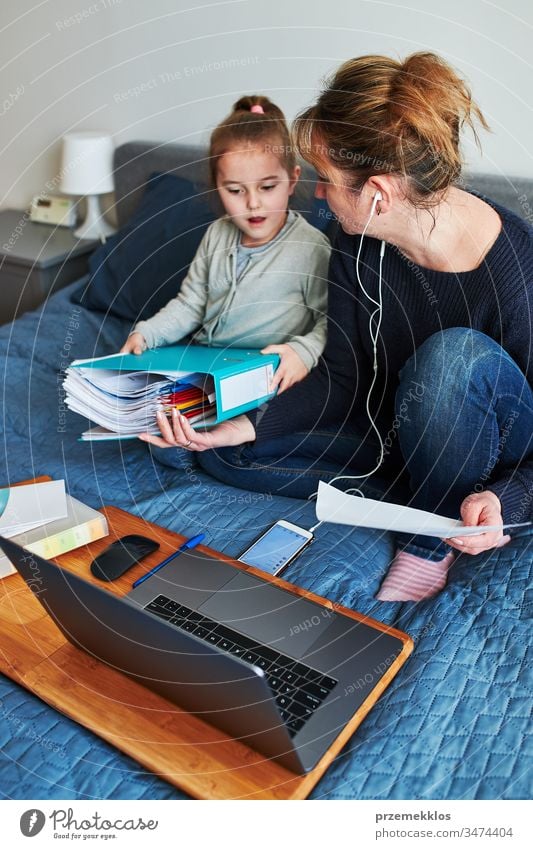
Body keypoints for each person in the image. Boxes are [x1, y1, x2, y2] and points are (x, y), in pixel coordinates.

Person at [140, 53, 533, 602]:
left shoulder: (517, 270)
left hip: (495, 444)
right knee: (221, 446)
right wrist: (248, 423)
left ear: (377, 193)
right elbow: (345, 379)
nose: (318, 194)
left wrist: (509, 501)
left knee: (453, 359)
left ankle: (429, 537)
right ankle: (407, 485)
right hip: (394, 424)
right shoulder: (356, 242)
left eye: (326, 180)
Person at [122, 94, 330, 397]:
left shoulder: (310, 248)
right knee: (162, 424)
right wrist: (148, 332)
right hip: (207, 365)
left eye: (268, 187)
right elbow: (191, 304)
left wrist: (304, 352)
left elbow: (332, 323)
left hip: (268, 376)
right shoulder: (216, 235)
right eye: (234, 190)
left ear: (293, 180)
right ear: (218, 187)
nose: (253, 203)